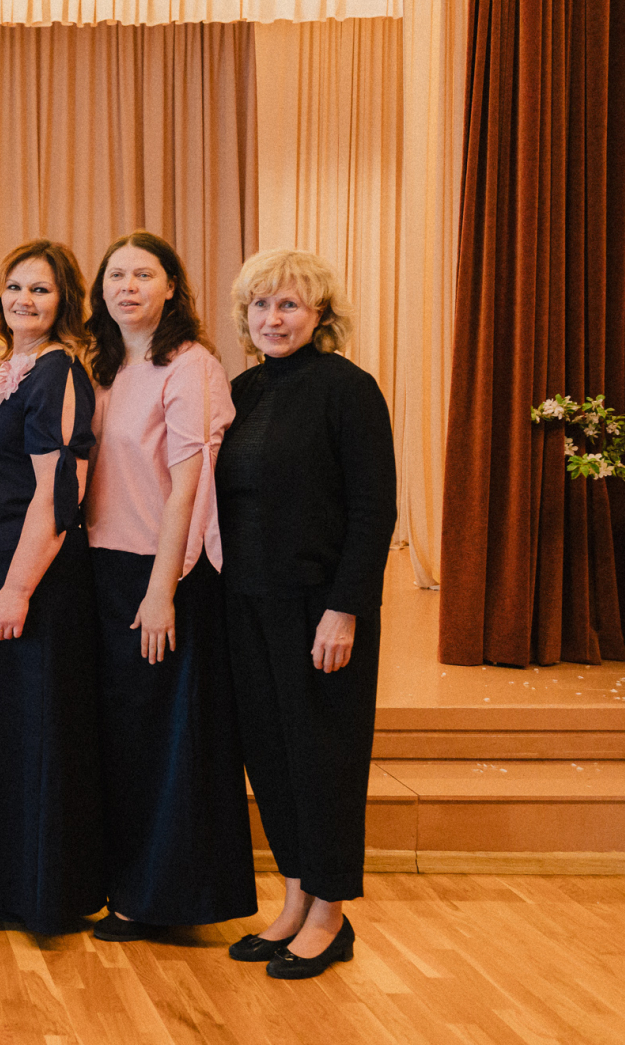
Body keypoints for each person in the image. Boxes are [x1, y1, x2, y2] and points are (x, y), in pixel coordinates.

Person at [216, 249, 396, 979]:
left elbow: (374, 510)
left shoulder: (349, 390)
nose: (273, 318)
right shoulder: (242, 390)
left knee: (325, 761)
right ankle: (294, 901)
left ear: (319, 314)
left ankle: (330, 914)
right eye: (260, 305)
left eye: (288, 304)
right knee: (272, 757)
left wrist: (344, 609)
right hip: (246, 605)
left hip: (319, 609)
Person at [82, 232, 256, 941]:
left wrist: (161, 591)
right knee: (122, 739)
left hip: (165, 572)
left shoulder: (190, 366)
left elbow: (190, 486)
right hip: (102, 568)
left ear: (172, 287)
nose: (127, 286)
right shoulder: (102, 367)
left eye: (143, 274)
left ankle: (159, 898)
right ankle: (120, 881)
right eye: (115, 275)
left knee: (165, 741)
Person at [0, 240, 104, 934]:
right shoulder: (10, 368)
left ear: (64, 301)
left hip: (34, 577)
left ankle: (39, 893)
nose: (24, 300)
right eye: (14, 287)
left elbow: (59, 492)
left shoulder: (58, 371)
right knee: (4, 734)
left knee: (35, 733)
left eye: (40, 289)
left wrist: (17, 589)